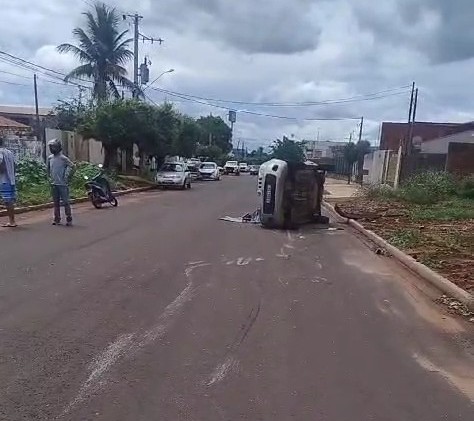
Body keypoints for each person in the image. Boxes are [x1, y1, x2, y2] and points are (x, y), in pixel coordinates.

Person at [47, 138, 75, 226]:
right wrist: (49, 177)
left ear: (58, 147)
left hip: (62, 184)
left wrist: (67, 176)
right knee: (56, 203)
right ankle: (57, 218)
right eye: (50, 147)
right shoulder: (50, 158)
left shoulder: (63, 158)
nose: (52, 149)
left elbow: (73, 166)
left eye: (53, 147)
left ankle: (69, 218)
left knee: (66, 202)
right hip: (54, 183)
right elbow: (48, 169)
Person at [0, 136, 17, 228]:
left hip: (4, 180)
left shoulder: (0, 152)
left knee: (7, 201)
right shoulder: (9, 152)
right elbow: (15, 164)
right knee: (9, 201)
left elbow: (1, 165)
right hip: (11, 179)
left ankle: (12, 221)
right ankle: (12, 220)